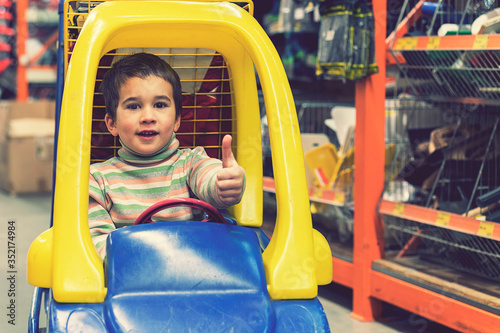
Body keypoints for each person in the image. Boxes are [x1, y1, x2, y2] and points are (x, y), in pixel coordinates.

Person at [88, 52, 245, 259]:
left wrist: (225, 183)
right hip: (130, 280)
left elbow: (209, 177)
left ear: (177, 120)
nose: (148, 117)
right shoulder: (98, 179)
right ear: (112, 124)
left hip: (194, 270)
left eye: (160, 105)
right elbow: (95, 243)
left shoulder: (191, 162)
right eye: (133, 106)